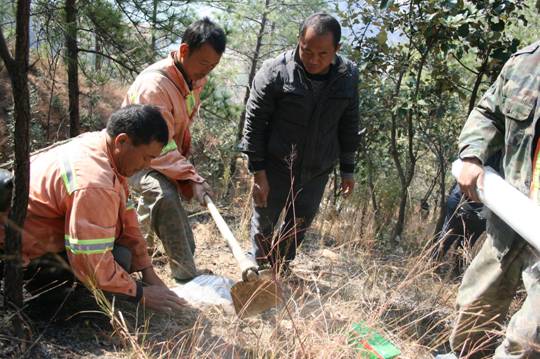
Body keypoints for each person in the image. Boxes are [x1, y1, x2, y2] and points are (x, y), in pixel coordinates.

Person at [0, 105, 185, 312]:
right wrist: (140, 294)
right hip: (15, 256)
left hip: (29, 241)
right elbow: (90, 259)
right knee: (119, 259)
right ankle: (46, 309)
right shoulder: (94, 181)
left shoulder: (100, 146)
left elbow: (126, 214)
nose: (146, 165)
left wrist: (146, 269)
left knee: (123, 255)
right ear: (122, 141)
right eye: (146, 157)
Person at [439, 40, 540, 358]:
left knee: (527, 341)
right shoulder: (525, 63)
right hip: (510, 219)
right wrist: (472, 156)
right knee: (472, 313)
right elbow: (487, 113)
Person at [239, 13, 360, 275]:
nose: (314, 60)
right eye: (307, 51)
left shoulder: (348, 76)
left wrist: (347, 169)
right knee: (264, 224)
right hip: (275, 165)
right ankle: (258, 274)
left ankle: (281, 269)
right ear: (299, 41)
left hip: (317, 169)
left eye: (323, 54)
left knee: (299, 225)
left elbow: (349, 124)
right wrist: (258, 173)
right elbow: (254, 125)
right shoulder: (274, 72)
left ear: (337, 50)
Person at [122, 18, 226, 282]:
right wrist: (190, 176)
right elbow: (160, 147)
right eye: (204, 63)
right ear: (183, 51)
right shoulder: (154, 88)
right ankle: (182, 273)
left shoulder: (192, 78)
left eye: (213, 66)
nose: (207, 72)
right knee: (163, 194)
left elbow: (178, 132)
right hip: (132, 158)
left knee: (167, 196)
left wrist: (186, 175)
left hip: (160, 157)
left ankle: (149, 252)